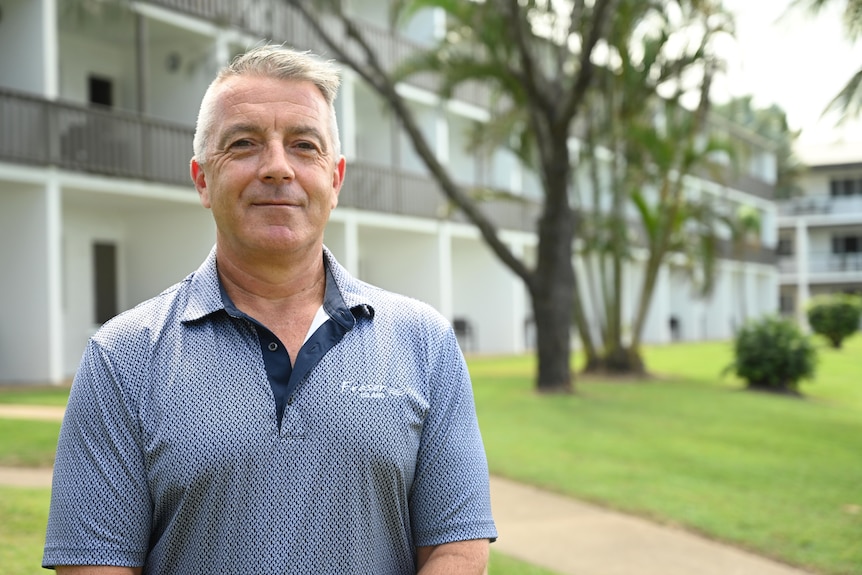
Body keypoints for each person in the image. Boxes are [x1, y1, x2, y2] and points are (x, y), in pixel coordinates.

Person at [43, 45, 497, 574]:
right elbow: (93, 565)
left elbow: (458, 548)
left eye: (304, 145)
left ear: (335, 179)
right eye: (244, 144)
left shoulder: (425, 343)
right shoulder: (120, 359)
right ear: (202, 180)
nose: (277, 167)